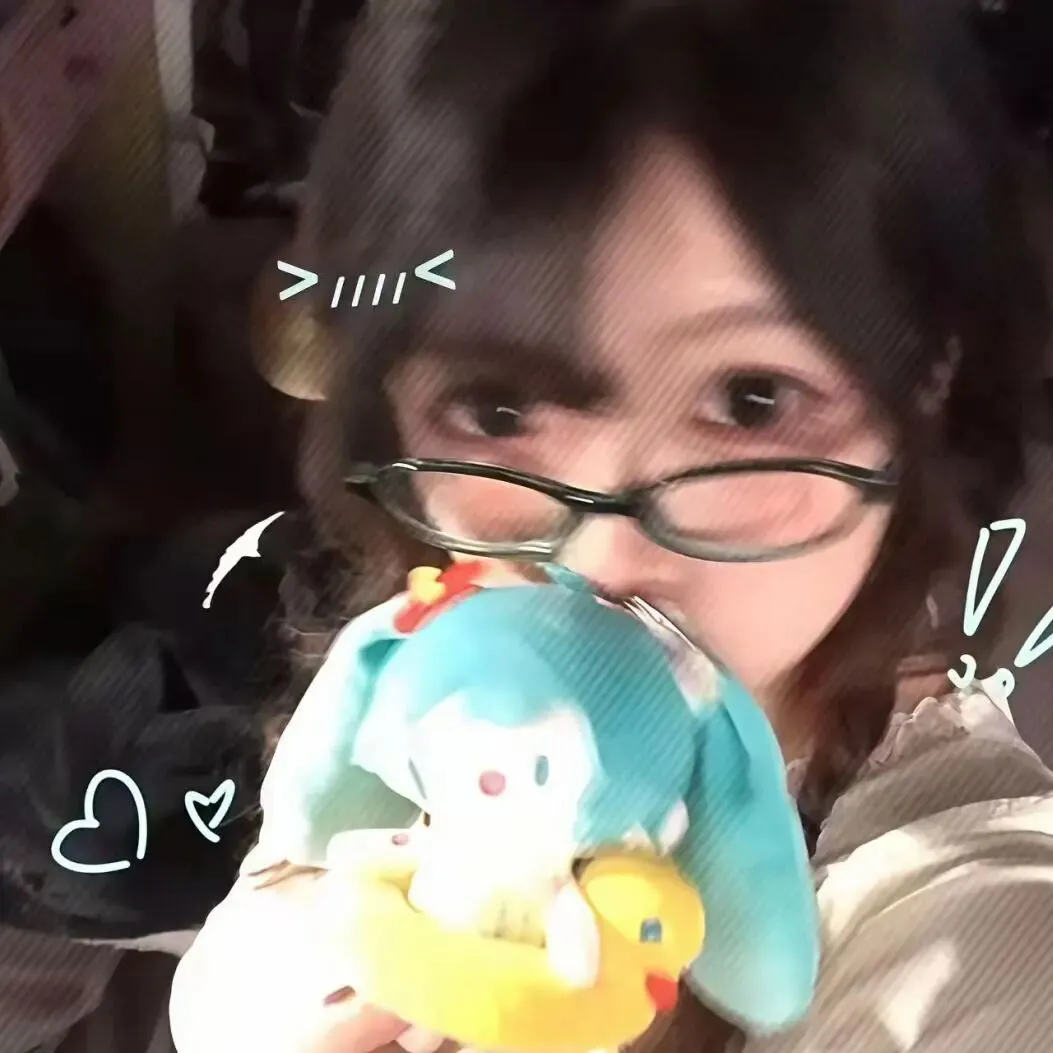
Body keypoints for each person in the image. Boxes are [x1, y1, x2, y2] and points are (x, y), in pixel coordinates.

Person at [170, 0, 1053, 1050]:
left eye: (752, 401)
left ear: (929, 384)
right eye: (498, 407)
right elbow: (255, 929)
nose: (600, 557)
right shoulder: (426, 688)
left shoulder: (976, 937)